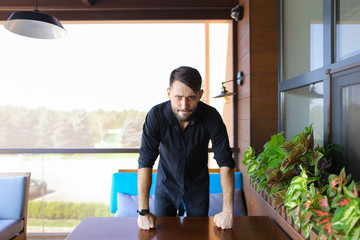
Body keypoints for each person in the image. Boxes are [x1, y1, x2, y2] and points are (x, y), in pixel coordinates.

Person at [137, 66, 235, 230]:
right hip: (165, 187)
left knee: (198, 234)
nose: (184, 105)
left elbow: (226, 162)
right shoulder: (156, 116)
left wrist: (228, 211)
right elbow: (145, 162)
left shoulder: (211, 117)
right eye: (178, 97)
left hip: (198, 187)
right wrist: (143, 211)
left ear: (200, 95)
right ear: (169, 93)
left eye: (191, 97)